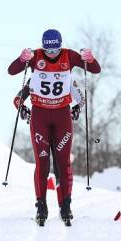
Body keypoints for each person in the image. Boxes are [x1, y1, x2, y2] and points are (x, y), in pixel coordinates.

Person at [8, 29, 101, 226]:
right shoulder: (35, 57)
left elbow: (95, 70)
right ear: (43, 47)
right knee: (42, 163)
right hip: (40, 116)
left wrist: (90, 59)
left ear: (60, 46)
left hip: (62, 116)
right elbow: (12, 71)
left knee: (63, 163)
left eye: (55, 50)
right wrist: (21, 59)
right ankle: (41, 206)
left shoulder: (70, 55)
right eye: (48, 50)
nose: (51, 54)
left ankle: (65, 206)